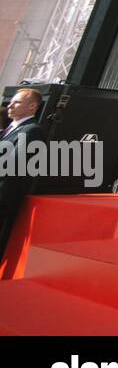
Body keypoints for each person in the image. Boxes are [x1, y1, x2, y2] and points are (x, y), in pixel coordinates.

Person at [0, 88, 48, 252]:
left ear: (32, 106)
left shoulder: (32, 131)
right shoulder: (9, 129)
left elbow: (13, 169)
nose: (10, 106)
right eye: (11, 101)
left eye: (17, 102)